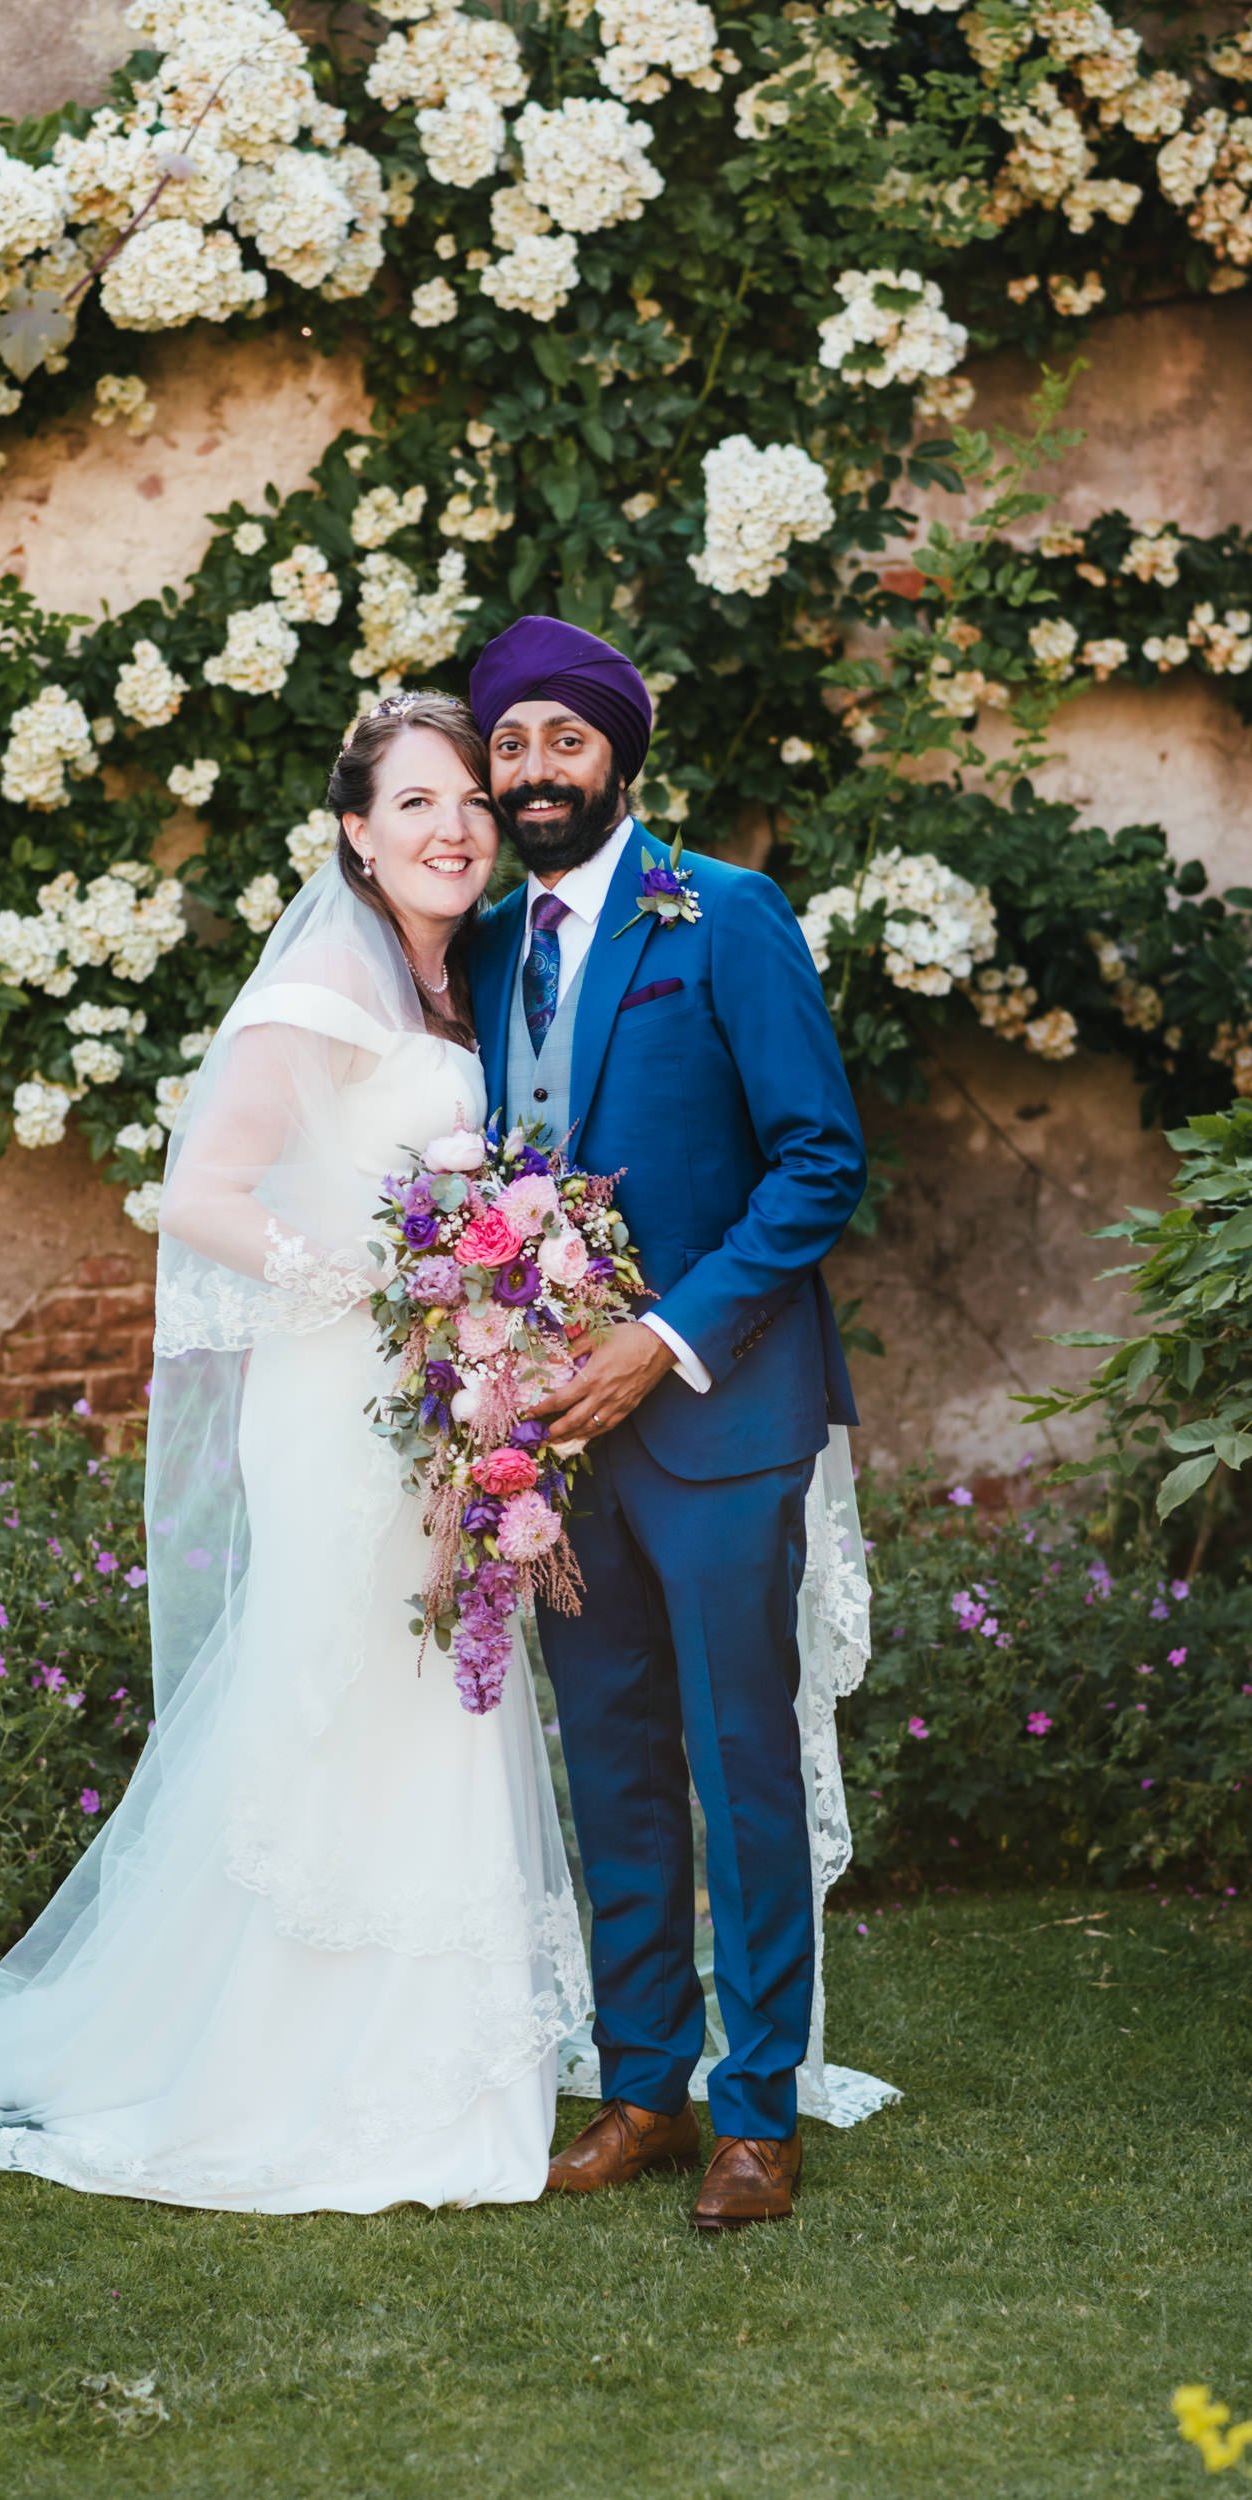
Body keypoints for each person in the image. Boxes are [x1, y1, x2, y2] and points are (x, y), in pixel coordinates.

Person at [0, 692, 590, 2212]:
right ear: (354, 831)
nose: (453, 826)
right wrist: (382, 1288)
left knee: (444, 1684)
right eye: (413, 804)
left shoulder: (455, 987)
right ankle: (288, 2054)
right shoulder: (323, 986)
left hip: (437, 1398)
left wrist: (482, 1309)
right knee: (344, 1687)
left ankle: (449, 2048)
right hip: (344, 1397)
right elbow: (202, 1193)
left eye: (469, 800)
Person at [467, 616, 893, 2232]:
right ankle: (640, 2084)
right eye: (508, 747)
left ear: (618, 759)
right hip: (551, 1441)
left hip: (715, 1418)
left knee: (740, 1759)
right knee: (616, 1765)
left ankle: (756, 2108)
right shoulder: (490, 945)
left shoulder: (721, 913)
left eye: (560, 744)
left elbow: (814, 1163)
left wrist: (660, 1339)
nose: (531, 774)